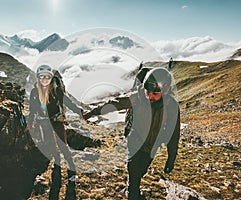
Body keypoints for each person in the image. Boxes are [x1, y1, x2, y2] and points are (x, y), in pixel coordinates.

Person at [84, 65, 180, 200]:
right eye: (147, 92)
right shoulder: (137, 97)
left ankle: (132, 186)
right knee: (134, 173)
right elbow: (115, 103)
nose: (149, 96)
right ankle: (132, 192)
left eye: (154, 93)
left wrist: (171, 158)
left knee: (142, 171)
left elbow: (173, 133)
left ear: (166, 91)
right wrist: (92, 112)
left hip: (152, 147)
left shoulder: (171, 107)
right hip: (134, 142)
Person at [27, 64, 77, 200]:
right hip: (44, 122)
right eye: (42, 77)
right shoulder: (34, 92)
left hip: (56, 121)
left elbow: (67, 101)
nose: (44, 79)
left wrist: (80, 111)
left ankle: (72, 170)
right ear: (38, 78)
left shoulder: (55, 90)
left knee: (62, 146)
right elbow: (32, 110)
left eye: (47, 77)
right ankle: (58, 167)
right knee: (51, 146)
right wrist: (30, 123)